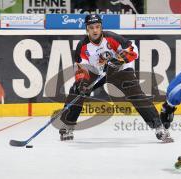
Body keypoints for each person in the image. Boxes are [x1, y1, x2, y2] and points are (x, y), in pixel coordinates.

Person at [57, 14, 172, 142]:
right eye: (91, 27)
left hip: (120, 70)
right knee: (76, 90)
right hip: (97, 72)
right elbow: (81, 68)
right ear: (86, 29)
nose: (95, 30)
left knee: (136, 94)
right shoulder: (82, 46)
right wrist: (82, 82)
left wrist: (120, 59)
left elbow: (133, 49)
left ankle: (159, 126)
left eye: (97, 27)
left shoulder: (112, 37)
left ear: (101, 27)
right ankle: (67, 125)